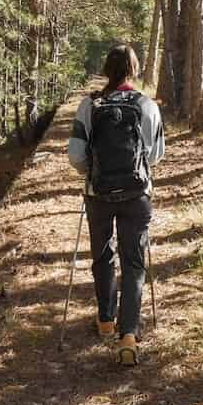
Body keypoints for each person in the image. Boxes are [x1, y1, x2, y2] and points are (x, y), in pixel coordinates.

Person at [67, 44, 165, 366]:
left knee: (103, 256)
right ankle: (129, 334)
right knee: (134, 263)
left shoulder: (89, 105)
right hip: (137, 195)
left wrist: (94, 172)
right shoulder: (146, 104)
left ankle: (106, 320)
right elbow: (155, 154)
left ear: (106, 70)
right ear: (133, 70)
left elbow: (76, 156)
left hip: (99, 194)